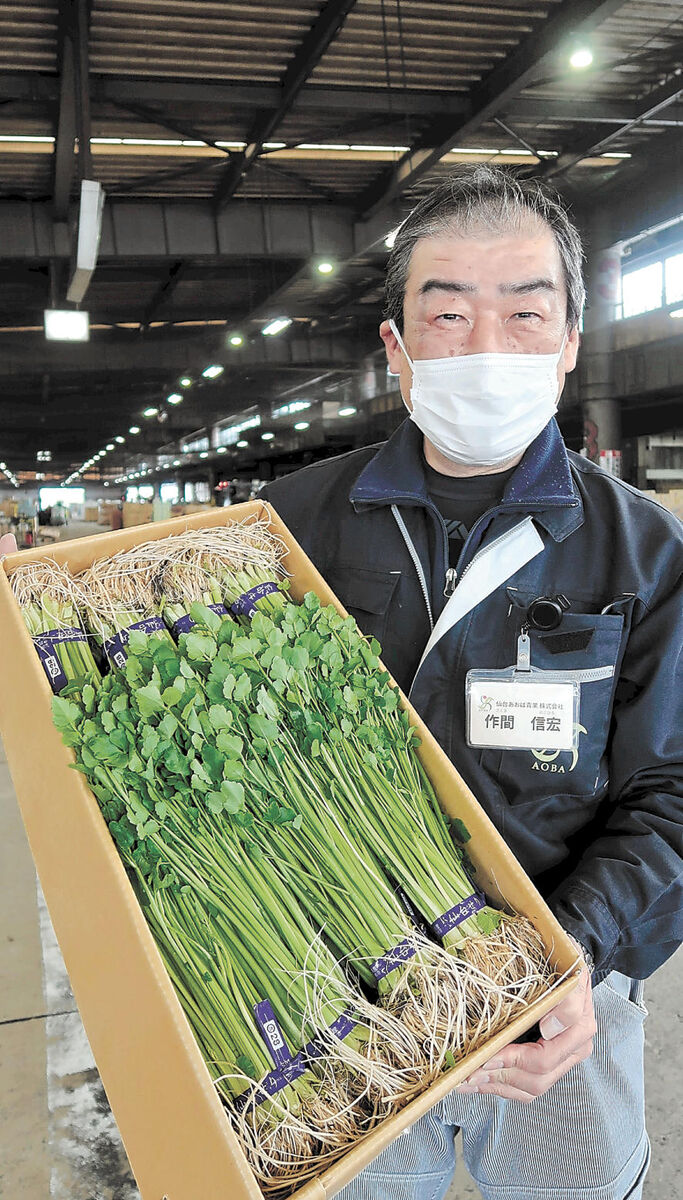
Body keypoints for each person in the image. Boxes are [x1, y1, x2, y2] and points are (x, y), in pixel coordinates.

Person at [260, 167, 683, 1200]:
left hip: (551, 1004)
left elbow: (671, 791)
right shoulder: (285, 526)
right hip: (329, 1006)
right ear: (396, 349)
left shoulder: (640, 549)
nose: (484, 346)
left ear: (569, 345)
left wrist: (575, 951)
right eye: (445, 313)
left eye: (524, 312)